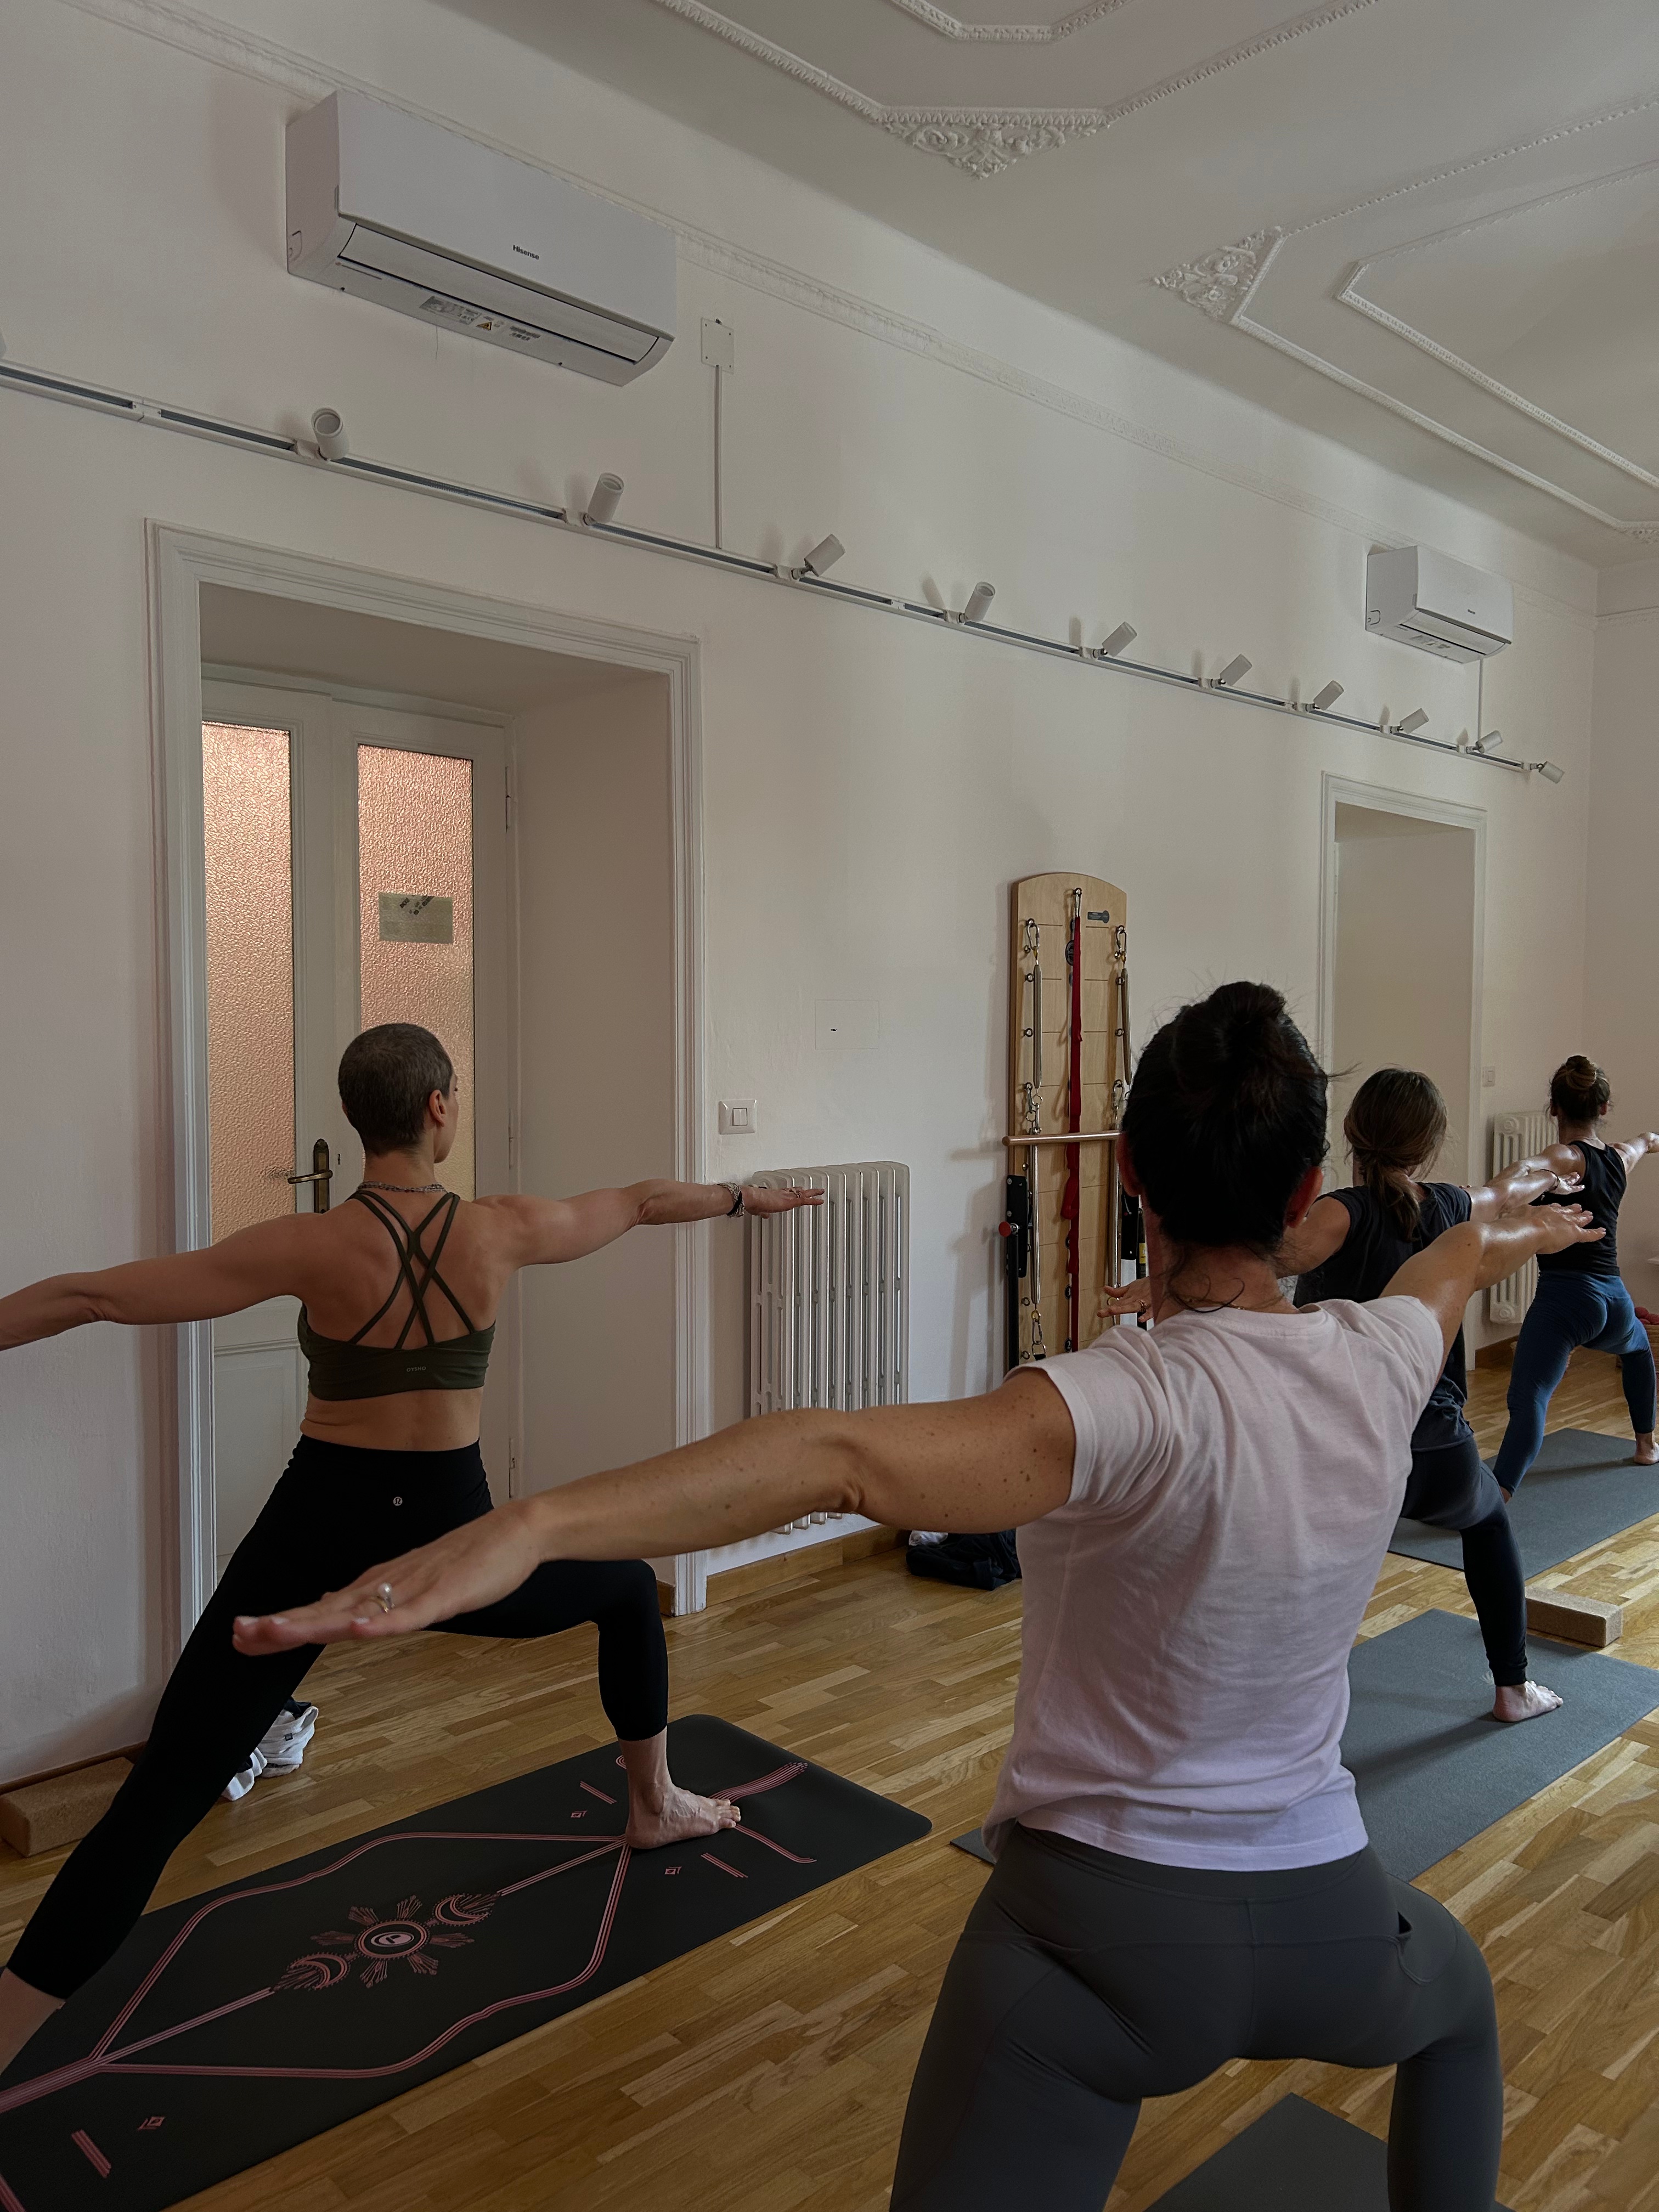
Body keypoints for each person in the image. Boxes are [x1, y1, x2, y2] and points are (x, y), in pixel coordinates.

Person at [234, 984, 1600, 2211]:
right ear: (1304, 1193)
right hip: (1330, 1921)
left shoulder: (1109, 1403)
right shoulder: (1380, 1358)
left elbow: (829, 1455)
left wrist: (528, 1523)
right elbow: (1443, 1270)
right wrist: (1514, 1222)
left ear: (1132, 1174)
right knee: (1458, 2010)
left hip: (1098, 1952)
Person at [0, 1021, 820, 2078]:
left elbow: (94, 1295)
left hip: (314, 1530)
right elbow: (637, 1202)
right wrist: (742, 1198)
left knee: (163, 1793)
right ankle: (653, 1802)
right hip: (450, 1541)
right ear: (439, 1106)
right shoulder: (503, 1228)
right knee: (624, 1589)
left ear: (357, 1117)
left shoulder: (306, 1244)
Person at [1267, 1066, 1571, 1724]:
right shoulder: (1452, 1206)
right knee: (1487, 1522)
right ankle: (1513, 1691)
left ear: (1353, 1133)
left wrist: (1170, 1281)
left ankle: (1274, 1706)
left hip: (1338, 1445)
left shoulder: (1340, 1210)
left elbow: (1271, 1258)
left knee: (1303, 1565)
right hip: (1431, 1442)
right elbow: (1508, 1191)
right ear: (1430, 1144)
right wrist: (1557, 1171)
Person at [1491, 1054, 1659, 1496]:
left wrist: (1505, 1186)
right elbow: (1646, 1140)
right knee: (1639, 1352)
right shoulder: (1621, 1156)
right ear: (1603, 1108)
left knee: (1530, 1397)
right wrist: (1650, 1141)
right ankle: (1646, 1446)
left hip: (1565, 1300)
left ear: (1554, 1109)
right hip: (1614, 1299)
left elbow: (1519, 1177)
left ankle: (1500, 1493)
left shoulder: (1563, 1156)